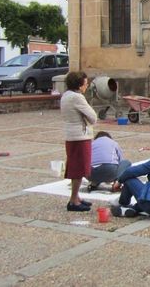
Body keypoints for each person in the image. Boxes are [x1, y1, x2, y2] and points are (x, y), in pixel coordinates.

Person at [60, 71, 97, 212]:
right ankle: (73, 200)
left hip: (71, 135)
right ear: (80, 85)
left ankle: (76, 197)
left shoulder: (66, 96)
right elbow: (93, 117)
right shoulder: (77, 98)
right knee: (78, 169)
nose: (86, 86)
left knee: (76, 167)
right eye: (85, 84)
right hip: (80, 136)